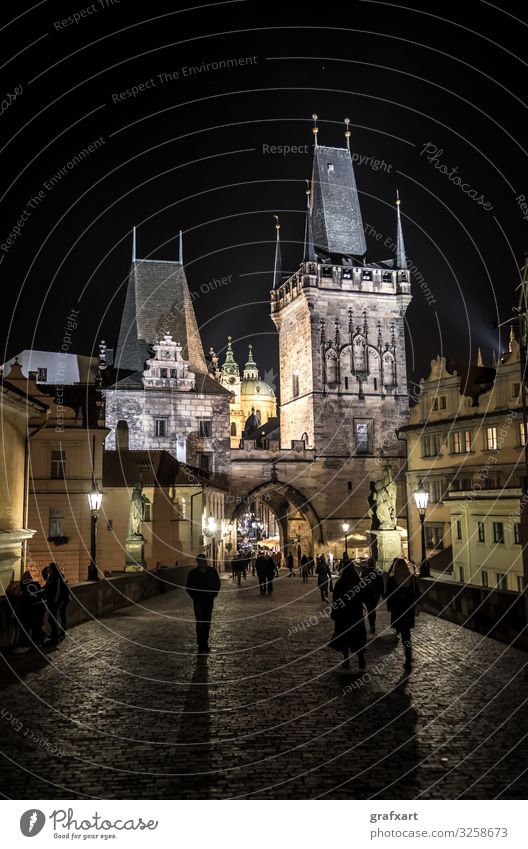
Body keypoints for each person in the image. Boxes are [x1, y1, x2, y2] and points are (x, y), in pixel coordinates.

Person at [329, 562, 367, 671]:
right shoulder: (358, 582)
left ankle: (346, 660)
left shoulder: (340, 583)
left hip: (343, 614)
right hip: (356, 614)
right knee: (357, 637)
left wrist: (334, 613)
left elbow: (336, 600)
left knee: (344, 637)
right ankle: (361, 658)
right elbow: (365, 596)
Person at [386, 558, 419, 671]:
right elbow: (417, 594)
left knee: (404, 632)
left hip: (398, 610)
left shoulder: (392, 580)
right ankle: (408, 657)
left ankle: (408, 658)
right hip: (408, 610)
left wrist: (389, 607)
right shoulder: (412, 579)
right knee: (406, 634)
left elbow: (388, 595)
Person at [185, 553, 221, 654]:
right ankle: (202, 644)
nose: (203, 563)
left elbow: (217, 584)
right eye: (201, 561)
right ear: (198, 562)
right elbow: (188, 587)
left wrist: (214, 594)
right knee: (200, 621)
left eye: (204, 561)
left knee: (207, 621)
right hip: (198, 601)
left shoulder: (212, 571)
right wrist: (195, 597)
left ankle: (204, 639)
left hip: (209, 600)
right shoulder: (193, 573)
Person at [44, 563, 70, 645]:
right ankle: (55, 636)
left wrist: (55, 601)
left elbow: (58, 590)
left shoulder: (57, 577)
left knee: (53, 619)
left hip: (56, 601)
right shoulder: (51, 576)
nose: (49, 570)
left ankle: (55, 638)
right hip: (53, 601)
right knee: (53, 618)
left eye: (50, 568)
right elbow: (46, 587)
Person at [19, 571, 46, 645]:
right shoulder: (37, 583)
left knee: (31, 623)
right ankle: (39, 638)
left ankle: (36, 639)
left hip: (32, 606)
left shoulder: (23, 585)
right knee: (38, 623)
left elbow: (23, 597)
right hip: (41, 605)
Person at [360, 557, 385, 634]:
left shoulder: (363, 572)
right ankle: (372, 625)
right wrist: (382, 593)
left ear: (367, 564)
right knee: (372, 610)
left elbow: (360, 585)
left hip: (366, 595)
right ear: (374, 564)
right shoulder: (378, 573)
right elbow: (382, 585)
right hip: (375, 594)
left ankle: (372, 625)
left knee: (370, 610)